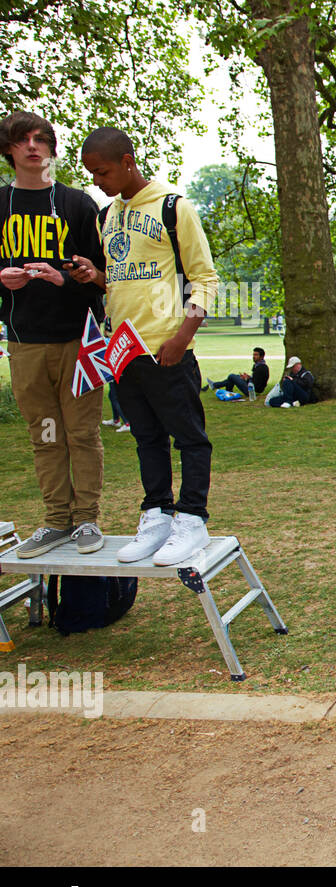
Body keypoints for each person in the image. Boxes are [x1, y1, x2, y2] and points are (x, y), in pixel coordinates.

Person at [76, 126, 219, 565]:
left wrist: (181, 338)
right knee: (145, 439)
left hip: (166, 348)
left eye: (101, 172)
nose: (97, 182)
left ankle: (191, 518)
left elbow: (206, 280)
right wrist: (95, 275)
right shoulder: (106, 217)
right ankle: (157, 513)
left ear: (127, 161)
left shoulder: (174, 207)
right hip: (122, 352)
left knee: (189, 439)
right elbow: (121, 279)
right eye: (90, 175)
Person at [1, 111, 108, 557]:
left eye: (41, 139)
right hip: (25, 341)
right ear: (8, 150)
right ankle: (55, 521)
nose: (32, 146)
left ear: (52, 148)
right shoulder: (0, 205)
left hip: (79, 339)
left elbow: (104, 273)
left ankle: (86, 521)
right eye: (22, 140)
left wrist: (68, 278)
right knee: (44, 433)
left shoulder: (78, 203)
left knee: (82, 433)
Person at [205, 346, 270, 398]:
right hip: (252, 387)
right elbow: (255, 378)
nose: (254, 357)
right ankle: (228, 392)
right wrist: (248, 377)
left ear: (262, 356)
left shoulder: (261, 368)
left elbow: (256, 384)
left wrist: (246, 379)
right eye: (253, 355)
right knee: (233, 378)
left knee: (231, 376)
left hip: (253, 392)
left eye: (256, 355)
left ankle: (215, 385)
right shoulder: (257, 365)